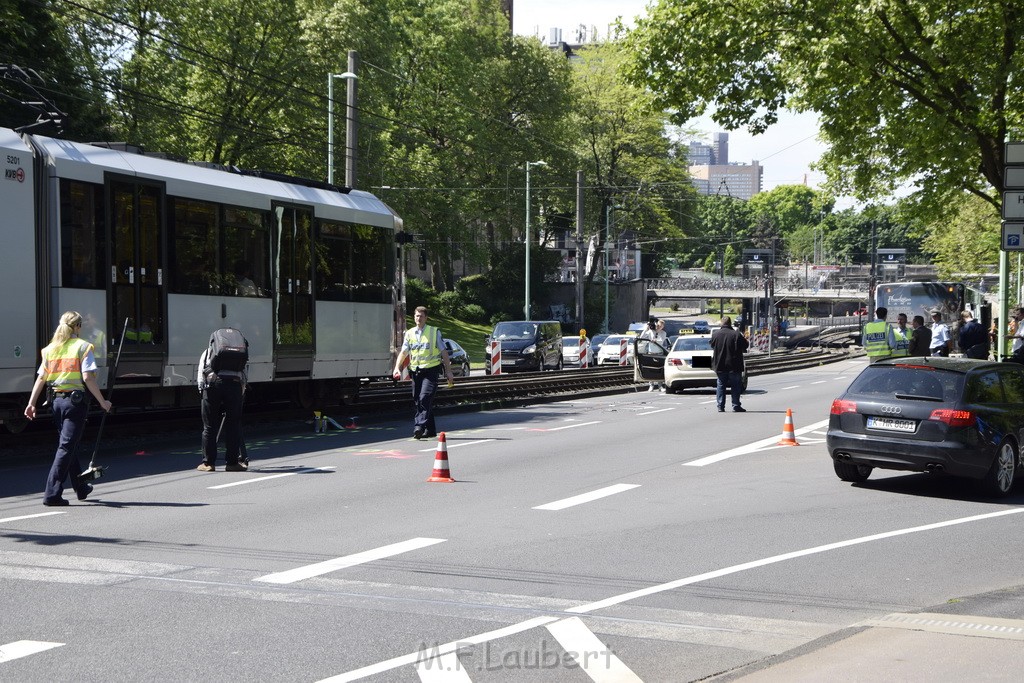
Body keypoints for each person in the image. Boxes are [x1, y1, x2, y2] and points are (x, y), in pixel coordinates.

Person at [23, 311, 113, 506]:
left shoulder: (50, 349)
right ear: (78, 327)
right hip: (75, 404)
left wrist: (31, 403)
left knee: (68, 445)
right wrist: (102, 402)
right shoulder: (82, 347)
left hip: (56, 403)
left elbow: (41, 378)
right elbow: (88, 377)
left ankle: (81, 487)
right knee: (66, 447)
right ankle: (52, 494)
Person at [392, 306, 455, 439]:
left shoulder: (434, 332)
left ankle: (419, 426)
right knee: (419, 400)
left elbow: (444, 352)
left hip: (431, 371)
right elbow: (403, 352)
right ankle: (431, 430)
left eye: (421, 316)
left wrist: (448, 372)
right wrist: (397, 367)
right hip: (416, 372)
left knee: (424, 398)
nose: (418, 318)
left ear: (426, 318)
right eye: (416, 316)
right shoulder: (409, 333)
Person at [196, 331, 249, 472]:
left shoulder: (208, 351)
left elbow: (201, 372)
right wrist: (241, 392)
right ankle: (232, 463)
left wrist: (202, 391)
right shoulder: (239, 351)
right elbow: (244, 373)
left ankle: (208, 464)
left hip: (212, 386)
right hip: (234, 386)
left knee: (209, 426)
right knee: (233, 425)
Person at [710, 316, 749, 413]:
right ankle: (736, 405)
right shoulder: (736, 334)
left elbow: (711, 345)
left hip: (720, 364)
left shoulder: (716, 334)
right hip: (734, 365)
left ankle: (720, 406)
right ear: (730, 323)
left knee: (721, 385)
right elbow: (746, 345)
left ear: (722, 324)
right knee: (735, 385)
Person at [639, 318, 667, 391]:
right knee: (650, 369)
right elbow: (641, 337)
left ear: (662, 327)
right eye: (657, 325)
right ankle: (651, 385)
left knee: (660, 369)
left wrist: (655, 340)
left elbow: (661, 341)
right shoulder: (651, 331)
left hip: (659, 353)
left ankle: (660, 386)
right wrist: (646, 329)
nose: (658, 327)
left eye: (660, 326)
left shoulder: (663, 333)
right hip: (651, 353)